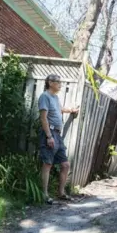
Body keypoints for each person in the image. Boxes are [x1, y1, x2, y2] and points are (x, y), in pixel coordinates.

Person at [38, 74, 79, 204]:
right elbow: (43, 118)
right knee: (48, 164)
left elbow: (59, 109)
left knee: (65, 165)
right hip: (49, 134)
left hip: (58, 135)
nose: (60, 84)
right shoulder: (45, 96)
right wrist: (49, 136)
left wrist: (71, 110)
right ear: (50, 83)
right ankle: (44, 195)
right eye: (58, 82)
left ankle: (60, 193)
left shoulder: (55, 97)